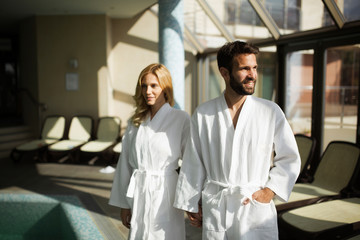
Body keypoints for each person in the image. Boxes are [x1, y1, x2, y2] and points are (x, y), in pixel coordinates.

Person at [174, 41, 301, 239]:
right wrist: (191, 202)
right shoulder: (204, 114)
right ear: (225, 73)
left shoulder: (269, 111)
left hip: (254, 205)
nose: (253, 75)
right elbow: (193, 162)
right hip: (218, 205)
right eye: (244, 69)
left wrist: (269, 191)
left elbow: (290, 158)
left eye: (255, 68)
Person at [109, 63, 190, 240]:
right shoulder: (136, 121)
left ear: (165, 88)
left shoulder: (181, 119)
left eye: (154, 86)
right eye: (144, 86)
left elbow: (191, 162)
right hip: (139, 192)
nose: (148, 91)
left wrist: (190, 201)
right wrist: (124, 204)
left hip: (166, 193)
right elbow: (125, 165)